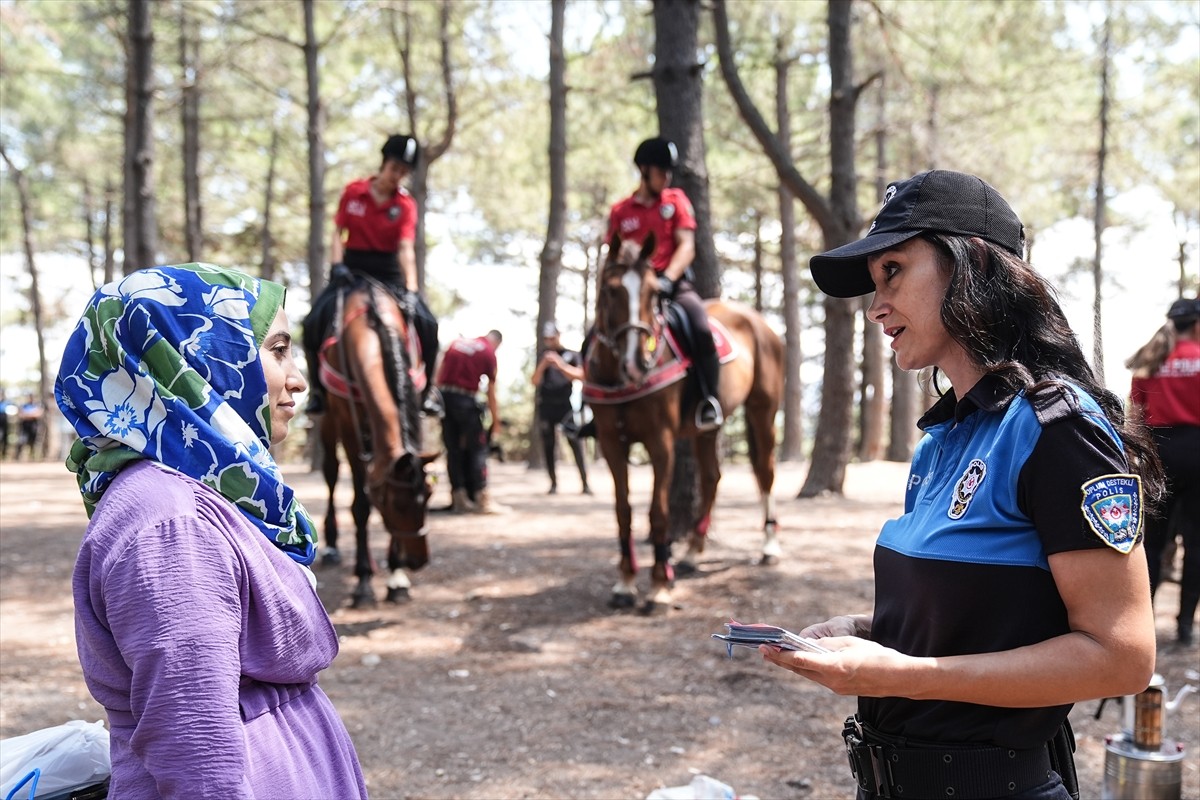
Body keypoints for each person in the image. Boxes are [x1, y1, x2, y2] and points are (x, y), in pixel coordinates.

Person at [759, 170, 1164, 800]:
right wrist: (873, 634)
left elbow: (1124, 657)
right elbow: (989, 616)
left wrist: (906, 674)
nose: (876, 306)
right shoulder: (944, 438)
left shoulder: (1055, 430)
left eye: (893, 270)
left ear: (969, 264)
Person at [56, 264, 368, 798]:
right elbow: (195, 752)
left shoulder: (193, 494)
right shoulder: (169, 523)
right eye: (275, 350)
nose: (297, 378)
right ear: (193, 360)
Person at [303, 133, 440, 417]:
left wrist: (412, 290)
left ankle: (428, 393)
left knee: (429, 324)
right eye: (394, 168)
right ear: (384, 163)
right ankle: (317, 390)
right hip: (351, 269)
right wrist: (337, 266)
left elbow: (405, 248)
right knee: (313, 320)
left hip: (389, 272)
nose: (397, 176)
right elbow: (339, 234)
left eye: (404, 172)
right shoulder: (353, 192)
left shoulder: (405, 205)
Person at [603, 136, 721, 430]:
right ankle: (598, 410)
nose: (667, 177)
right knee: (595, 337)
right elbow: (613, 255)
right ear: (644, 170)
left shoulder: (676, 200)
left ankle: (709, 399)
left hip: (673, 286)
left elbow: (687, 246)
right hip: (631, 291)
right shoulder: (621, 211)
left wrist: (667, 279)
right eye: (661, 171)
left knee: (701, 328)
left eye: (669, 172)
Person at [1128, 296, 1200, 645]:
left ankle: (1145, 623)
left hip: (1159, 456)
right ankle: (1185, 626)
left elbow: (1135, 417)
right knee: (1197, 545)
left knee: (1152, 545)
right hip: (1198, 454)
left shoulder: (1151, 359)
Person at [436, 329, 507, 514]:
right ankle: (482, 498)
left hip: (443, 399)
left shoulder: (456, 343)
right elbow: (491, 391)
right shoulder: (487, 352)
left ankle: (459, 498)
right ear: (497, 343)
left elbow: (439, 372)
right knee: (478, 449)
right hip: (466, 401)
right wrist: (496, 420)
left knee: (453, 449)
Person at [531, 321, 590, 495]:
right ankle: (553, 484)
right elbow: (534, 381)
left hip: (565, 406)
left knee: (576, 443)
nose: (549, 341)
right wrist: (543, 365)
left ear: (558, 335)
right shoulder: (542, 356)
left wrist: (560, 365)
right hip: (546, 406)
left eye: (552, 337)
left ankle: (585, 483)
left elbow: (581, 375)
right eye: (546, 338)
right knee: (548, 445)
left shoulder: (571, 355)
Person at [14, 394, 43, 460]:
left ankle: (32, 457)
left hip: (33, 426)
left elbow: (38, 414)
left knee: (33, 442)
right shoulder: (24, 406)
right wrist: (31, 414)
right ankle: (18, 457)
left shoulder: (36, 405)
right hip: (24, 427)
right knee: (22, 441)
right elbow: (20, 415)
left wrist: (27, 415)